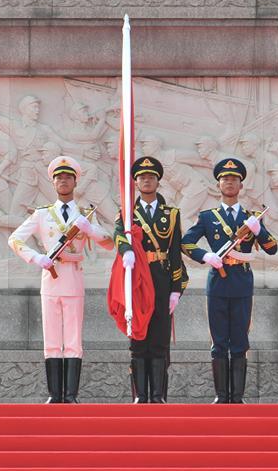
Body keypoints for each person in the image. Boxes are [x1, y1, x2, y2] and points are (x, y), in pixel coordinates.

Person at [9, 156, 114, 403]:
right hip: (51, 278)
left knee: (74, 339)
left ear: (75, 182)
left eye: (67, 177)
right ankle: (55, 395)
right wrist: (36, 258)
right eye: (59, 178)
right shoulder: (42, 214)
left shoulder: (85, 214)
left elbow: (109, 243)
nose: (63, 181)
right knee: (53, 337)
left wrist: (90, 230)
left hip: (74, 279)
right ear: (53, 183)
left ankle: (71, 394)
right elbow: (15, 239)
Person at [182, 159, 278, 404]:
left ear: (241, 185)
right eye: (225, 179)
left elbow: (272, 248)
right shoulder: (207, 217)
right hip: (218, 282)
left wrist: (259, 231)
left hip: (242, 281)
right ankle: (221, 395)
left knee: (240, 340)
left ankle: (237, 397)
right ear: (218, 185)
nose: (229, 182)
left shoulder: (251, 218)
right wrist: (206, 256)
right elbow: (186, 243)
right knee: (218, 340)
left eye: (234, 179)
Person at [114, 156, 189, 403]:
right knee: (138, 338)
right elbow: (118, 234)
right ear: (135, 182)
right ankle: (140, 396)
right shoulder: (127, 213)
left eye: (151, 177)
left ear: (157, 181)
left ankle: (158, 396)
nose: (146, 180)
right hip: (136, 279)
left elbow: (176, 251)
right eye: (142, 177)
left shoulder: (172, 214)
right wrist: (126, 251)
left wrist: (176, 289)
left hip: (161, 278)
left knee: (158, 339)